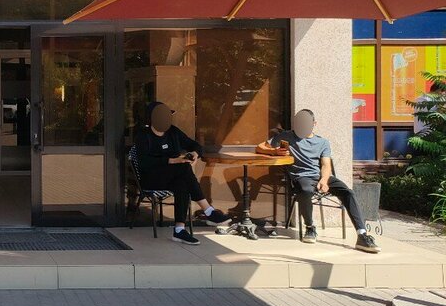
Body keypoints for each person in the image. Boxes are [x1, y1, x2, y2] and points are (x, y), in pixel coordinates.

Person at [256, 109, 380, 253]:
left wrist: (324, 180)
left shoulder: (322, 142)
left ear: (314, 124)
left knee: (348, 192)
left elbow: (326, 165)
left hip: (321, 176)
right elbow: (259, 147)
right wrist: (274, 151)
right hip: (301, 177)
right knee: (305, 190)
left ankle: (362, 235)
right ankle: (310, 227)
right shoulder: (286, 136)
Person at [133, 102, 232, 245]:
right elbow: (144, 162)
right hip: (151, 178)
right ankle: (208, 211)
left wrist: (195, 154)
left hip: (172, 176)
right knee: (184, 168)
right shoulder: (143, 136)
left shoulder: (173, 132)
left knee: (182, 183)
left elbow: (195, 145)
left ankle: (179, 229)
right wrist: (172, 160)